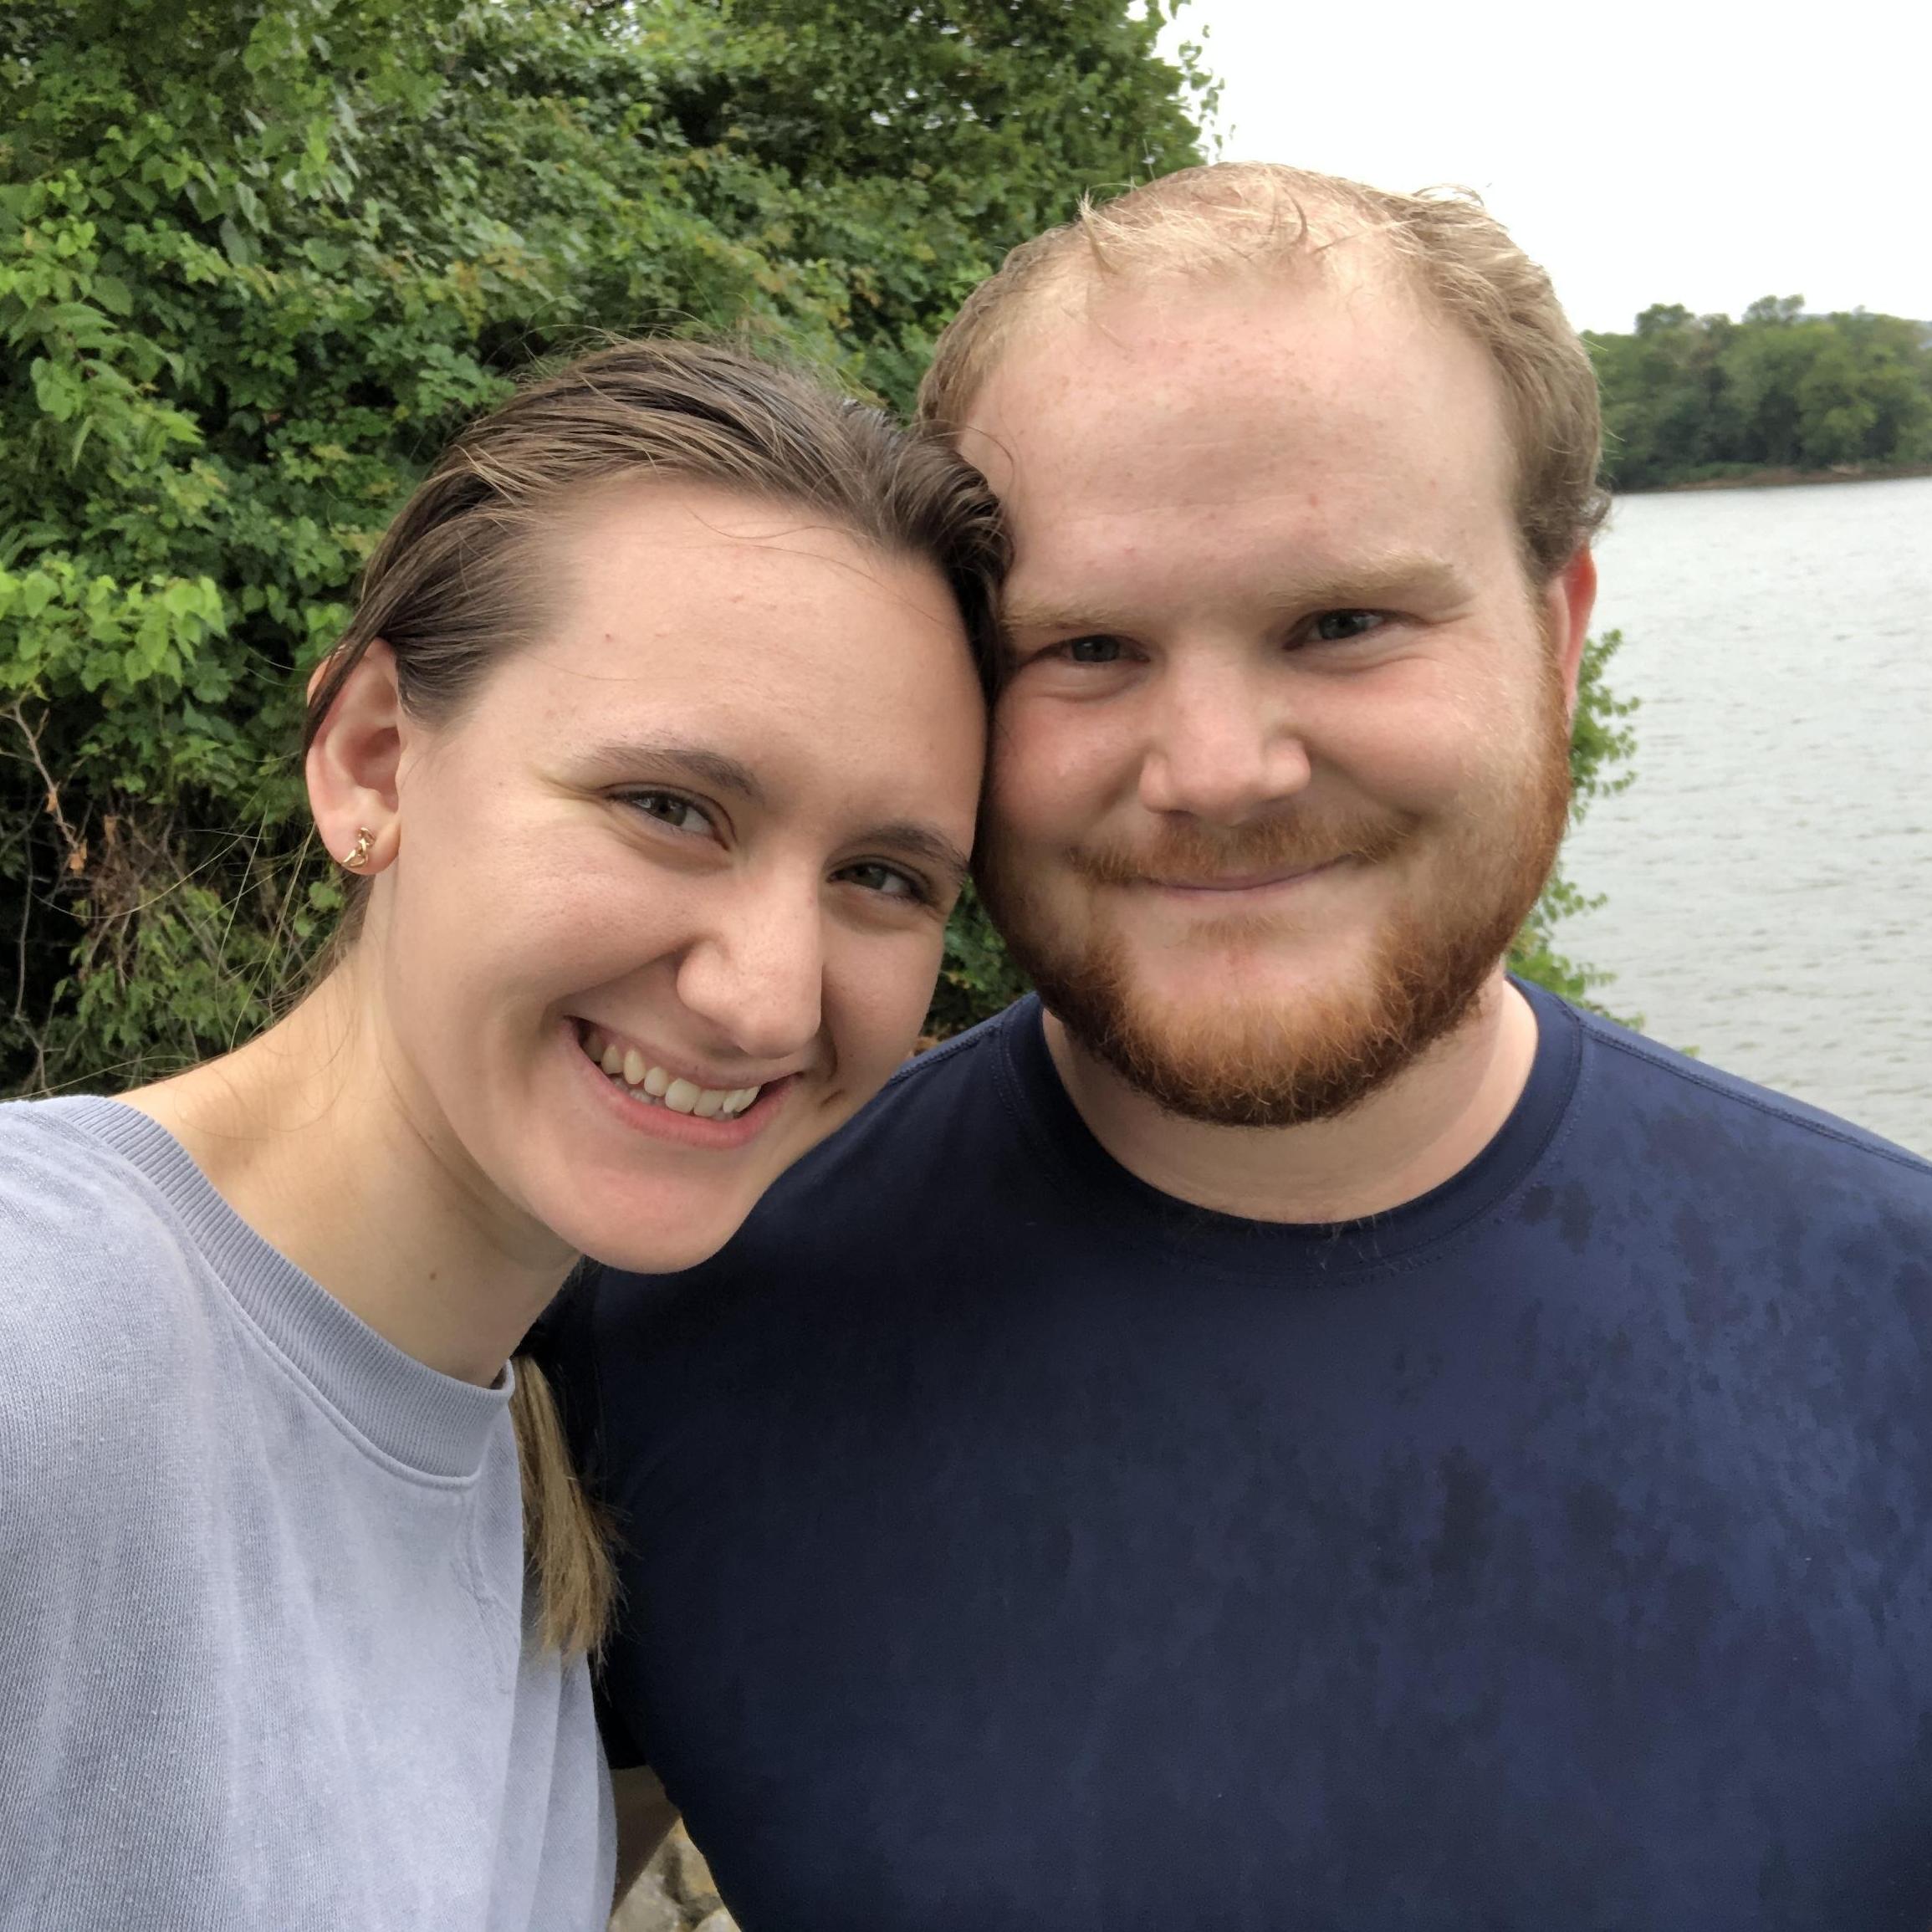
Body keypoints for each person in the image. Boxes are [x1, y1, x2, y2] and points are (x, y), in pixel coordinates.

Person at [541, 167, 1932, 1929]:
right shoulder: (655, 1340)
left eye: (1343, 623)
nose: (1214, 766)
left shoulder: (1896, 1343)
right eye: (1089, 647)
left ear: (1560, 635)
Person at [0, 340, 1002, 1931]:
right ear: (372, 761)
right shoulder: (41, 1334)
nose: (765, 999)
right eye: (669, 805)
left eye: (883, 876)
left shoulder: (521, 1473)